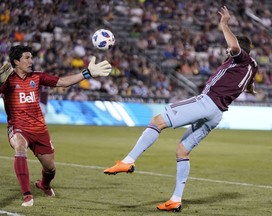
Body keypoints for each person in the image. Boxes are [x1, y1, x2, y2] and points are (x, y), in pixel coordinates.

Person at [103, 6, 258, 212]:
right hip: (217, 114)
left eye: (229, 50)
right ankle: (175, 199)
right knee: (182, 151)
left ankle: (128, 161)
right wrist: (251, 89)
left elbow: (235, 47)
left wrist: (224, 24)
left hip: (207, 102)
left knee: (157, 120)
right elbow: (249, 84)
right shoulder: (253, 66)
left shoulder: (241, 57)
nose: (227, 52)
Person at [0, 45, 111, 207]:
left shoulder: (37, 77)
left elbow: (63, 81)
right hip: (18, 127)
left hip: (39, 129)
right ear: (16, 61)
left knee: (50, 168)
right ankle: (27, 195)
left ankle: (44, 184)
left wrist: (87, 73)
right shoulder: (7, 81)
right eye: (27, 58)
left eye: (31, 57)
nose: (31, 61)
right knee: (20, 146)